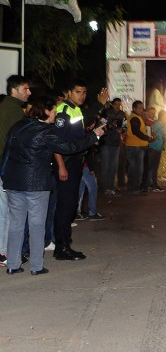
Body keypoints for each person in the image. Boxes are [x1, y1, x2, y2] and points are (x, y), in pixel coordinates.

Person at [2, 96, 104, 275]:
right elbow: (70, 146)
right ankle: (36, 266)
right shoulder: (45, 132)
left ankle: (12, 264)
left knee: (16, 224)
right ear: (46, 111)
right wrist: (93, 135)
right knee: (37, 224)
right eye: (54, 112)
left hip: (13, 181)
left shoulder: (18, 126)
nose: (56, 115)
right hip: (36, 183)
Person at [52, 79, 108, 261]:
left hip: (76, 162)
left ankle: (65, 244)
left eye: (84, 92)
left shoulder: (75, 109)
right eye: (78, 92)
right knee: (65, 205)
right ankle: (61, 247)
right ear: (69, 92)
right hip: (67, 163)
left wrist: (99, 104)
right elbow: (56, 142)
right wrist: (61, 165)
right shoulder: (63, 110)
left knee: (69, 206)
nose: (82, 96)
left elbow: (86, 118)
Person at [0, 75, 31, 266]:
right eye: (26, 89)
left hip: (3, 165)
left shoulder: (5, 106)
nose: (29, 92)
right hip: (7, 167)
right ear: (15, 89)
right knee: (9, 211)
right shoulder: (14, 111)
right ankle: (5, 253)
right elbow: (18, 143)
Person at [125, 101, 155, 195]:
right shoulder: (135, 118)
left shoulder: (137, 118)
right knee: (136, 169)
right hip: (135, 147)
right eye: (139, 108)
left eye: (142, 108)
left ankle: (134, 188)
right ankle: (134, 189)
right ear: (134, 108)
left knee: (135, 169)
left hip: (136, 146)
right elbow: (136, 132)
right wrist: (148, 138)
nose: (141, 110)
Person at [100, 98, 126, 197]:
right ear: (112, 104)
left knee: (113, 167)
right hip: (106, 142)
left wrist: (122, 130)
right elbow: (101, 125)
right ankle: (104, 188)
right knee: (105, 166)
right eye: (116, 104)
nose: (118, 106)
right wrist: (110, 126)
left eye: (119, 104)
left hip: (116, 143)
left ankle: (111, 187)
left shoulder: (122, 115)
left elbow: (125, 126)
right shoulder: (106, 113)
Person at [146, 110, 166, 192]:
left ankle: (153, 185)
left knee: (154, 168)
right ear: (162, 116)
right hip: (153, 148)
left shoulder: (162, 125)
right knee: (151, 167)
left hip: (157, 148)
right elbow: (151, 135)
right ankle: (149, 185)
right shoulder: (157, 125)